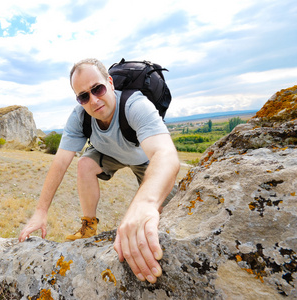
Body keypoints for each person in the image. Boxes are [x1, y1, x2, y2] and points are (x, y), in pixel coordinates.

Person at [18, 58, 180, 284]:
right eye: (83, 96)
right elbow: (60, 163)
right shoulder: (80, 117)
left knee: (163, 211)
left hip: (143, 159)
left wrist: (144, 205)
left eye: (98, 89)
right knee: (84, 164)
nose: (93, 100)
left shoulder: (135, 105)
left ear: (110, 83)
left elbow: (166, 155)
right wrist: (41, 211)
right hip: (109, 154)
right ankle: (88, 227)